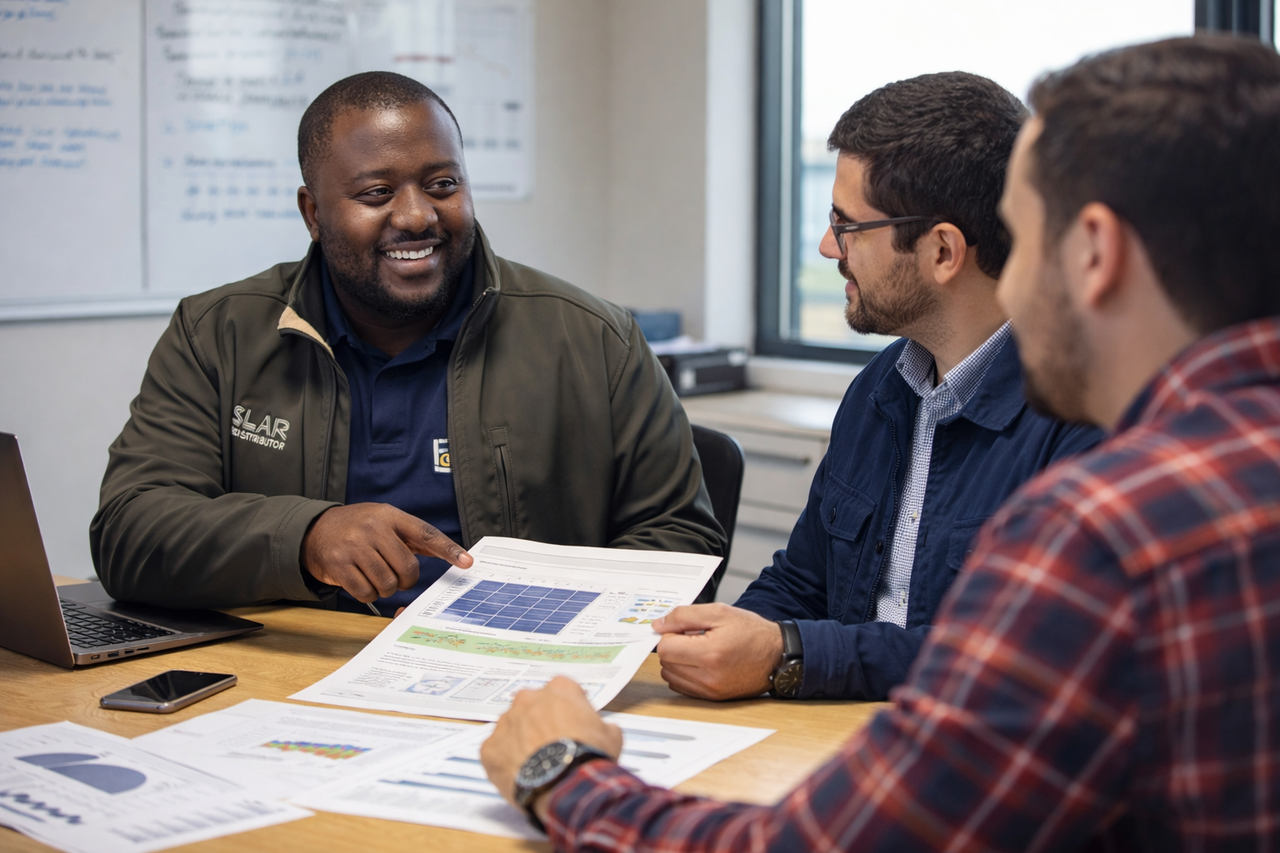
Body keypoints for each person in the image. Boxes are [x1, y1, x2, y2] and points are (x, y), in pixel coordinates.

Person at [479, 36, 1280, 850]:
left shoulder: (1106, 531)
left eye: (1025, 232)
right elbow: (805, 578)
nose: (1012, 270)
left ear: (1096, 252)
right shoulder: (893, 395)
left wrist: (562, 772)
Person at [91, 72, 724, 614]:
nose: (418, 215)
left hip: (514, 682)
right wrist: (305, 536)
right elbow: (131, 530)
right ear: (313, 214)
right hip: (293, 675)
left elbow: (682, 543)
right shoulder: (218, 335)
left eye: (443, 185)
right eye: (376, 193)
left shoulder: (593, 339)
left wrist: (524, 619)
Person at [654, 72, 1100, 702]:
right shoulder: (880, 390)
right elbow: (803, 581)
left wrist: (787, 655)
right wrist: (729, 637)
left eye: (847, 226)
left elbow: (1007, 655)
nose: (826, 246)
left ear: (943, 251)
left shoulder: (1079, 417)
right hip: (839, 729)